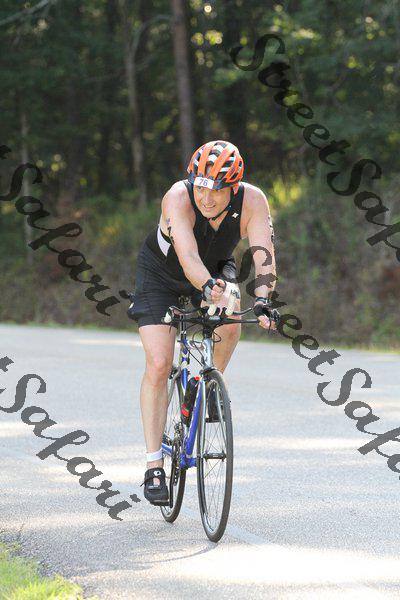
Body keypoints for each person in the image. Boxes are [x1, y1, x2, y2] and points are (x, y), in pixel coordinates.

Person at [130, 140, 277, 505]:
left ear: (234, 188)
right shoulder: (177, 198)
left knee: (231, 319)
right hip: (163, 276)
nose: (206, 199)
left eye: (217, 191)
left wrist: (263, 300)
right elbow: (188, 257)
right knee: (159, 363)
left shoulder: (253, 201)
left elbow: (263, 255)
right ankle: (153, 466)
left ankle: (210, 384)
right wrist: (208, 287)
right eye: (201, 188)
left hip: (214, 269)